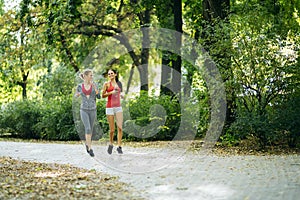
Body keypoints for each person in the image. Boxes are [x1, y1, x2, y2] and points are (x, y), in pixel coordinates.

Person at [75, 68, 100, 157]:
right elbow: (76, 95)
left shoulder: (95, 85)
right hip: (84, 109)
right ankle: (90, 148)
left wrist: (95, 89)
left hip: (93, 109)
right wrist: (77, 95)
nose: (92, 77)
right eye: (90, 75)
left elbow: (99, 96)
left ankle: (87, 144)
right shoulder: (79, 86)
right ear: (85, 76)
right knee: (88, 128)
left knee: (91, 129)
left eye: (92, 75)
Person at [102, 69, 124, 154]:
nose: (110, 75)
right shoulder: (106, 84)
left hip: (118, 107)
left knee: (120, 128)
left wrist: (122, 95)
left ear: (115, 74)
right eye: (109, 74)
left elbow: (120, 93)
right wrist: (111, 92)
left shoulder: (119, 84)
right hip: (110, 107)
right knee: (112, 130)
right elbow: (103, 95)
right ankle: (111, 144)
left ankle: (119, 146)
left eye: (112, 73)